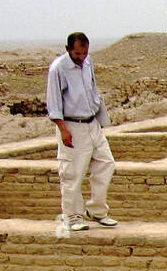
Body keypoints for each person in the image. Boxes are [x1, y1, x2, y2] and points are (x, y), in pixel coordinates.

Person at [46, 32, 117, 231]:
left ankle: (96, 210)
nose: (81, 57)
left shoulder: (88, 63)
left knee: (106, 163)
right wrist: (63, 130)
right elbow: (53, 102)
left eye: (84, 53)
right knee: (72, 174)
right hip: (72, 126)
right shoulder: (58, 69)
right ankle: (73, 216)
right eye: (77, 54)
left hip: (92, 123)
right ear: (68, 49)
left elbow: (92, 89)